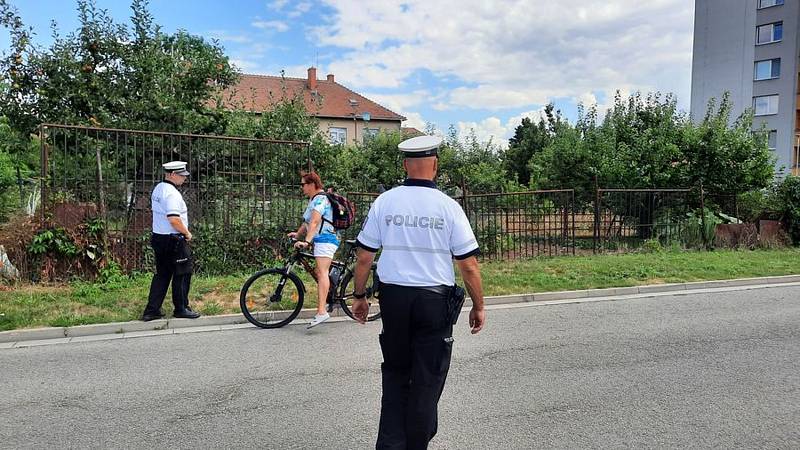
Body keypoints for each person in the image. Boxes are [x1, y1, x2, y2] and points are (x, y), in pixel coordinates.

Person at [351, 135, 486, 449]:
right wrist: (478, 306)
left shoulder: (385, 202)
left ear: (404, 165)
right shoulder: (448, 207)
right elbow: (468, 266)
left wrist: (360, 296)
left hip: (395, 300)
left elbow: (364, 256)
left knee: (396, 374)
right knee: (427, 379)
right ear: (435, 166)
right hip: (433, 303)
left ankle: (389, 444)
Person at [141, 161, 200, 321]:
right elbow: (174, 219)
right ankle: (181, 308)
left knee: (162, 274)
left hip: (159, 237)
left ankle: (151, 310)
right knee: (183, 272)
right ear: (172, 174)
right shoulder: (172, 194)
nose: (184, 179)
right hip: (174, 239)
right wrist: (187, 233)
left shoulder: (159, 188)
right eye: (182, 176)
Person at [288, 171, 340, 329]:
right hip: (320, 240)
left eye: (303, 184)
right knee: (320, 272)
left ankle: (322, 311)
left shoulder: (321, 199)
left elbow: (315, 222)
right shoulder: (313, 200)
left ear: (312, 184)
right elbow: (307, 223)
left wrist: (307, 241)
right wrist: (297, 235)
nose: (301, 187)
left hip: (326, 239)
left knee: (321, 272)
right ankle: (332, 287)